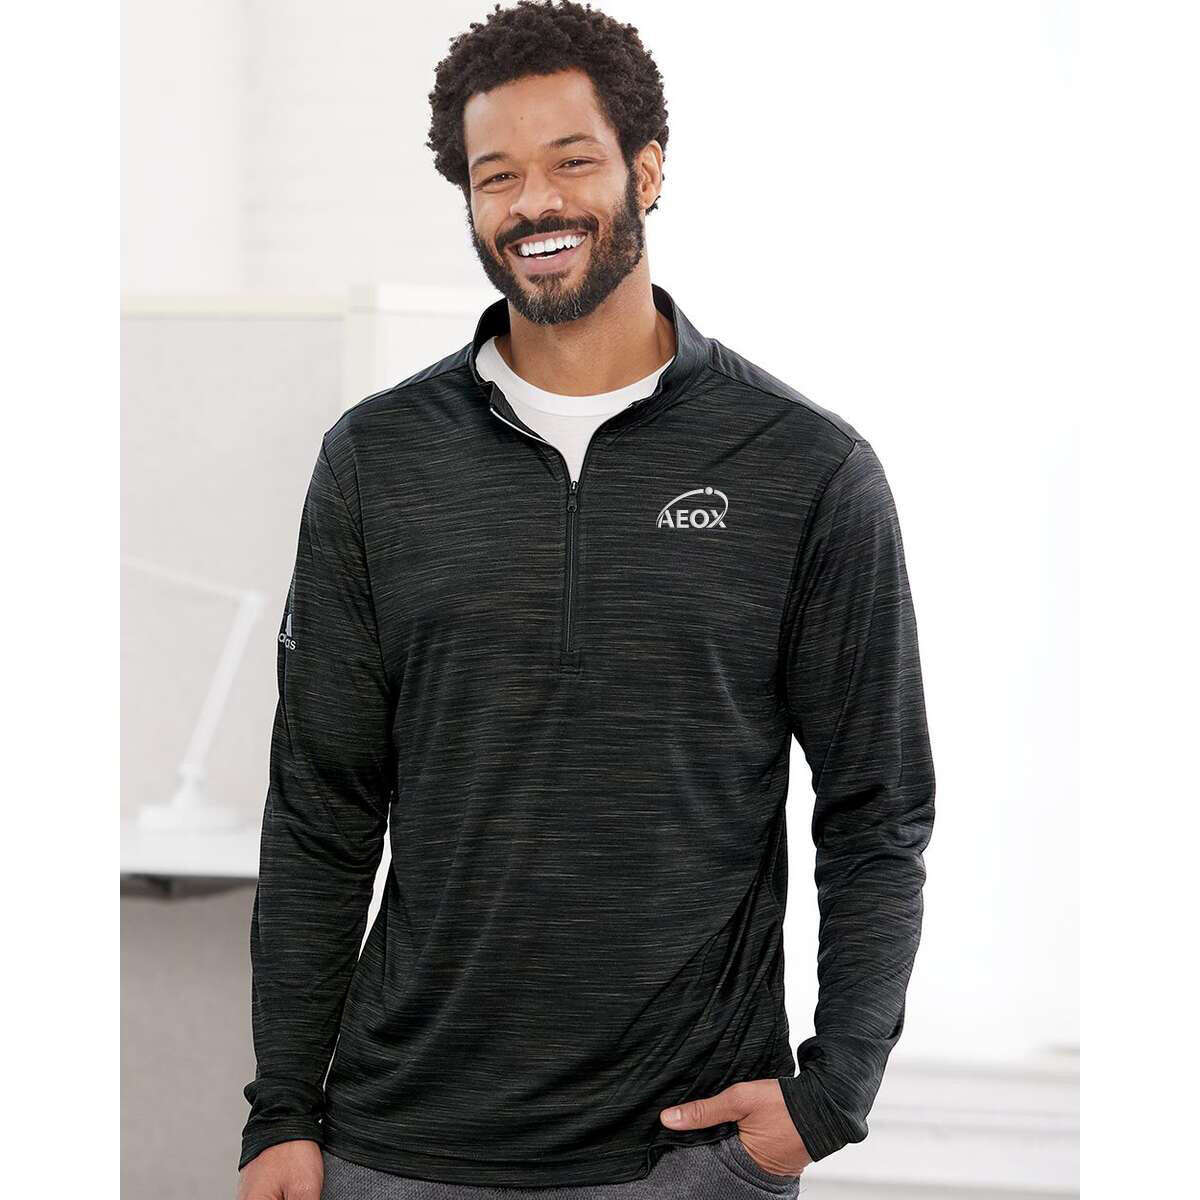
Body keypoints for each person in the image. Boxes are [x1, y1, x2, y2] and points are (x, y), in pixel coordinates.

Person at [236, 3, 935, 1197]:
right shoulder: (377, 461)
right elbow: (321, 811)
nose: (534, 204)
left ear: (645, 170)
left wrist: (832, 1097)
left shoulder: (804, 468)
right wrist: (281, 1112)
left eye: (571, 162)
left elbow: (878, 809)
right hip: (396, 1146)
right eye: (497, 176)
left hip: (684, 1153)